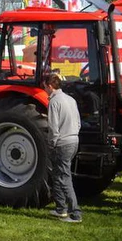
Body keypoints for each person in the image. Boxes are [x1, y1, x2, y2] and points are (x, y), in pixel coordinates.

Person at [45, 73, 82, 223]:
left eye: (44, 87)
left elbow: (53, 128)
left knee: (64, 177)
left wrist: (51, 144)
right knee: (58, 175)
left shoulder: (54, 102)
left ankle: (75, 213)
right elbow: (78, 122)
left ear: (49, 86)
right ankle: (61, 209)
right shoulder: (71, 99)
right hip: (74, 140)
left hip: (62, 143)